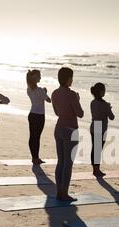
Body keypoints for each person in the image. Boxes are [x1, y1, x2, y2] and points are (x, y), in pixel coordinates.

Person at [51, 67, 84, 201]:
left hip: (59, 128)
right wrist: (77, 99)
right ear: (68, 79)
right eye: (71, 77)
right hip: (70, 130)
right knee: (68, 164)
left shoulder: (54, 93)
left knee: (61, 162)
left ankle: (59, 191)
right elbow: (80, 113)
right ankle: (64, 193)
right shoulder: (71, 94)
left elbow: (57, 113)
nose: (72, 80)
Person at [26, 70, 51, 165]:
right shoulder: (40, 90)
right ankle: (36, 158)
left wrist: (43, 92)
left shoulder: (28, 89)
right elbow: (49, 100)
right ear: (35, 78)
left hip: (32, 114)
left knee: (32, 136)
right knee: (37, 137)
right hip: (39, 115)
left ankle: (34, 157)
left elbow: (38, 98)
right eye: (39, 76)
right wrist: (45, 92)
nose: (40, 77)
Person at [90, 82, 115, 176]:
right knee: (98, 149)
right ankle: (97, 170)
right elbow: (112, 117)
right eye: (104, 90)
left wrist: (107, 108)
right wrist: (109, 108)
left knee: (94, 148)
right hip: (101, 127)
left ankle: (95, 168)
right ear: (101, 92)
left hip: (93, 125)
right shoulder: (104, 104)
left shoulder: (93, 102)